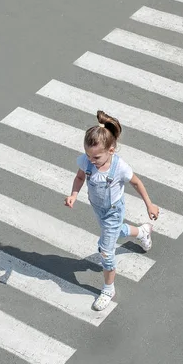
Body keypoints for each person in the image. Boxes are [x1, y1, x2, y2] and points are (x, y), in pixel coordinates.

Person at [64, 110, 160, 311]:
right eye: (89, 155)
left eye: (97, 156)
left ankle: (108, 289)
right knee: (116, 232)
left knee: (106, 252)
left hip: (114, 210)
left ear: (111, 150)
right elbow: (80, 178)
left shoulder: (120, 167)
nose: (92, 160)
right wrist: (73, 194)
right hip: (98, 208)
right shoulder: (86, 161)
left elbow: (136, 183)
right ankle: (143, 231)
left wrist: (149, 204)